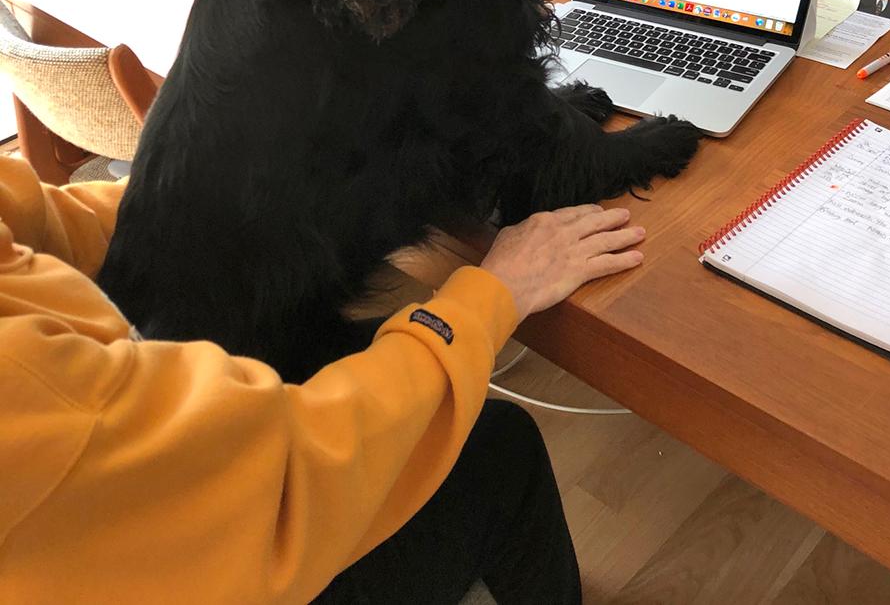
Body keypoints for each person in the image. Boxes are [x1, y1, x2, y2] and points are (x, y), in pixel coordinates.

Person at [0, 153, 645, 604]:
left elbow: (50, 226)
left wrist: (248, 197)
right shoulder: (36, 395)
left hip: (110, 516)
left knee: (344, 355)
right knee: (502, 449)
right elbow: (294, 475)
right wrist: (493, 294)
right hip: (212, 562)